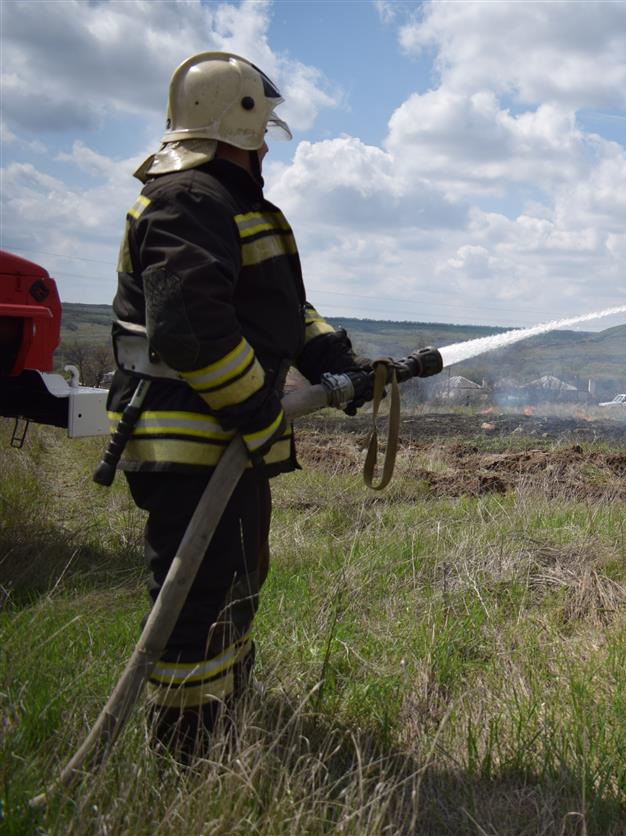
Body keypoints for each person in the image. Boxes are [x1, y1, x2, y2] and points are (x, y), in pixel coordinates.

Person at [105, 52, 374, 759]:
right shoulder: (190, 200)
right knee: (195, 603)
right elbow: (190, 330)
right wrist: (259, 407)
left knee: (230, 587)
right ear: (243, 122)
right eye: (264, 127)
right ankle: (188, 758)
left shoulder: (228, 204)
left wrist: (333, 362)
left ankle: (227, 723)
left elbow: (281, 309)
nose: (267, 147)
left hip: (220, 440)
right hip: (189, 440)